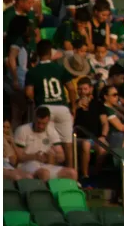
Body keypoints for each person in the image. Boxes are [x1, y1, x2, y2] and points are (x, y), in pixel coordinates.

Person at [25, 40, 76, 169]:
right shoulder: (60, 68)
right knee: (68, 143)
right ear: (51, 52)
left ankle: (49, 171)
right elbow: (71, 88)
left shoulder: (33, 71)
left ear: (37, 53)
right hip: (62, 107)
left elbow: (28, 92)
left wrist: (35, 102)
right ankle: (71, 173)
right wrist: (73, 107)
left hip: (44, 107)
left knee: (46, 142)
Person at [13, 107, 78, 181]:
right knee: (44, 173)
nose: (41, 126)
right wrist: (35, 156)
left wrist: (54, 155)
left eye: (44, 124)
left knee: (72, 173)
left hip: (44, 165)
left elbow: (61, 156)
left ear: (48, 121)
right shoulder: (22, 130)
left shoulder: (51, 131)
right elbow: (18, 157)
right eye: (38, 123)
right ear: (34, 118)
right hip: (26, 165)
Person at [73, 77, 109, 181]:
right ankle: (85, 175)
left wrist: (103, 136)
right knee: (86, 143)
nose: (82, 92)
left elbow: (105, 123)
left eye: (85, 89)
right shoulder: (73, 105)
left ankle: (96, 174)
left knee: (102, 148)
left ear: (91, 89)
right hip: (78, 137)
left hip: (96, 137)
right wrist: (75, 108)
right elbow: (69, 124)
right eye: (80, 89)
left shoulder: (98, 104)